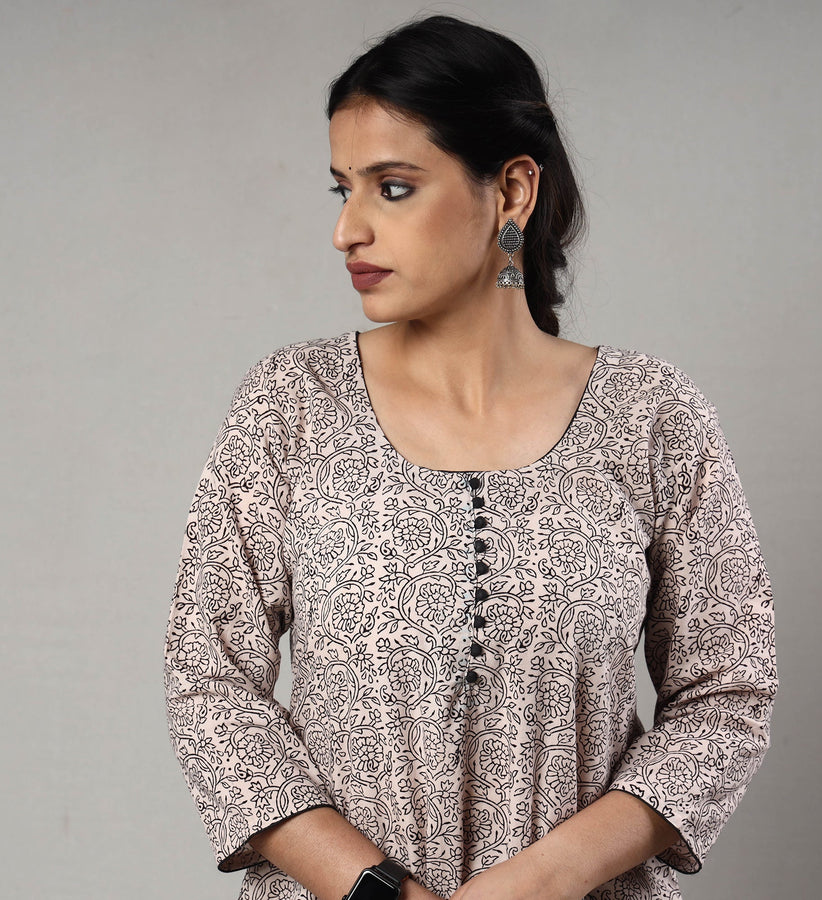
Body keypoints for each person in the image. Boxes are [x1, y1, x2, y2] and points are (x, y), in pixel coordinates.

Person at [165, 14, 777, 900]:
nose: (347, 230)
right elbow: (209, 681)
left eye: (393, 188)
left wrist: (542, 882)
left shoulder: (652, 416)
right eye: (342, 189)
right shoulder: (292, 404)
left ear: (513, 190)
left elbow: (727, 695)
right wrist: (380, 892)